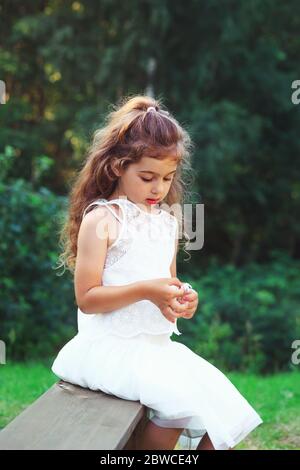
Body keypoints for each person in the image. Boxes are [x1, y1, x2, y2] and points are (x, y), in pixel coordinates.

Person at [51, 95, 263, 450]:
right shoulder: (102, 219)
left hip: (156, 348)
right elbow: (87, 299)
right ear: (118, 166)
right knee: (178, 406)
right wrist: (148, 289)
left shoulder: (166, 224)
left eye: (167, 178)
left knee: (227, 410)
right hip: (109, 350)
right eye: (147, 177)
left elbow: (167, 287)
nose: (158, 188)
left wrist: (181, 301)